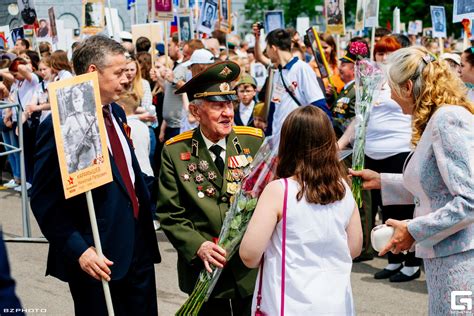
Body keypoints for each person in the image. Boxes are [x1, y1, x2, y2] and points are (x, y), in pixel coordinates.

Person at [30, 35, 161, 315]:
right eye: (118, 73)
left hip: (138, 250)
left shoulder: (116, 112)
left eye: (127, 71)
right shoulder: (61, 125)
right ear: (92, 72)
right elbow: (43, 199)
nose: (126, 79)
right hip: (99, 256)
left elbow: (130, 179)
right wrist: (80, 250)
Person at [350, 46, 473, 314]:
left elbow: (469, 200)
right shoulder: (439, 118)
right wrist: (383, 181)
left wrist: (414, 229)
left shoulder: (447, 120)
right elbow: (436, 186)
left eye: (391, 88)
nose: (391, 97)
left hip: (462, 261)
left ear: (407, 87)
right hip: (447, 257)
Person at [157, 61, 264, 315]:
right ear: (195, 111)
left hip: (248, 270)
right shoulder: (176, 151)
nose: (227, 113)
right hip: (204, 269)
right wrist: (199, 246)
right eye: (218, 106)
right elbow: (170, 214)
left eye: (230, 104)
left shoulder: (254, 141)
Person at [240, 105, 362, 315]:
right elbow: (354, 247)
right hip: (335, 302)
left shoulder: (279, 191)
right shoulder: (344, 189)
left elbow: (249, 255)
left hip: (289, 301)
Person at [263, 28, 328, 135]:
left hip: (298, 136)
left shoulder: (302, 69)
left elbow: (319, 105)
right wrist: (269, 135)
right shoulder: (278, 72)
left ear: (273, 48)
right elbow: (275, 106)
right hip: (279, 140)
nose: (267, 53)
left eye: (267, 48)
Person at [61, 85, 101, 173]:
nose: (77, 104)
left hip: (92, 155)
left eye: (79, 101)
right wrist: (68, 154)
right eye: (75, 101)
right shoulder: (70, 119)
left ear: (82, 101)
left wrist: (98, 153)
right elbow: (63, 136)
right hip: (78, 157)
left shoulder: (89, 118)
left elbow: (95, 137)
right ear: (73, 103)